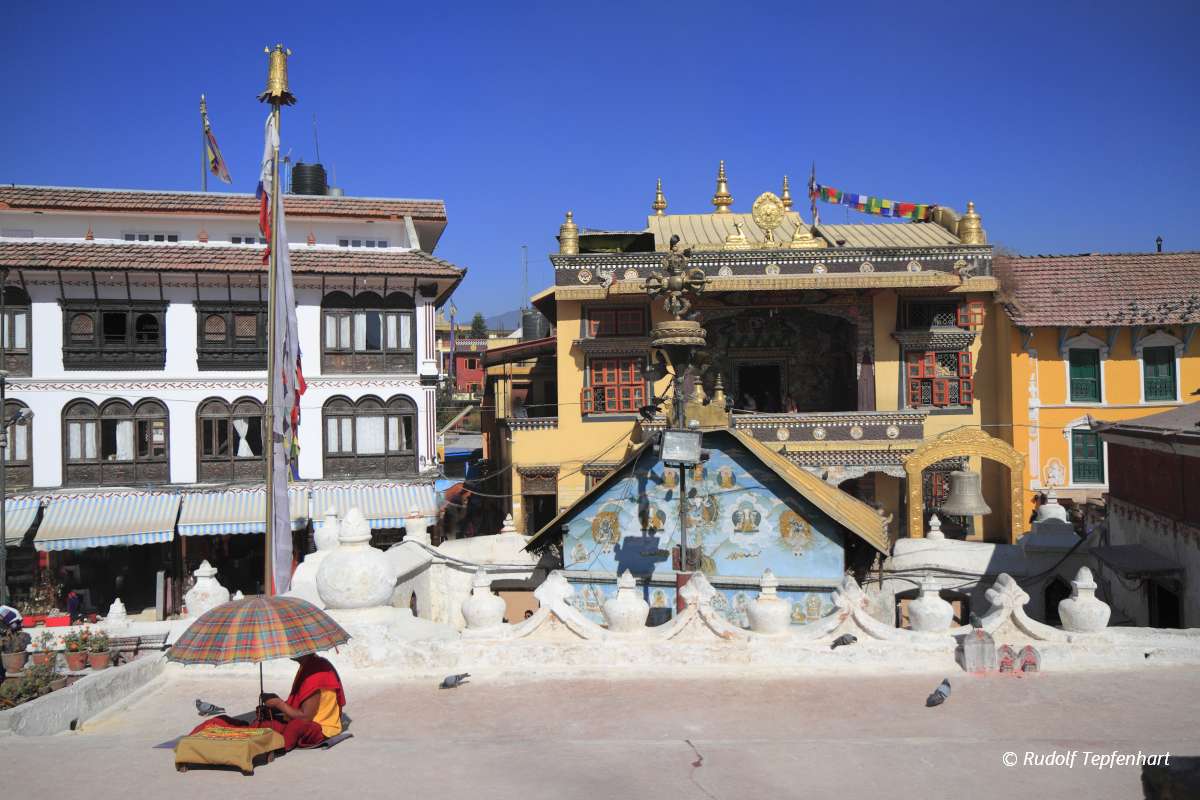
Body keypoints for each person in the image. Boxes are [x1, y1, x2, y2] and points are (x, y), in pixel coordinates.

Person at [189, 654, 346, 751]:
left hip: (321, 729)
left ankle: (257, 745)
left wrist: (278, 704)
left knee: (285, 728)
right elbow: (299, 707)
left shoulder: (315, 670)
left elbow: (305, 718)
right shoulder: (310, 665)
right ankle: (215, 729)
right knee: (262, 721)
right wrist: (276, 707)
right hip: (307, 720)